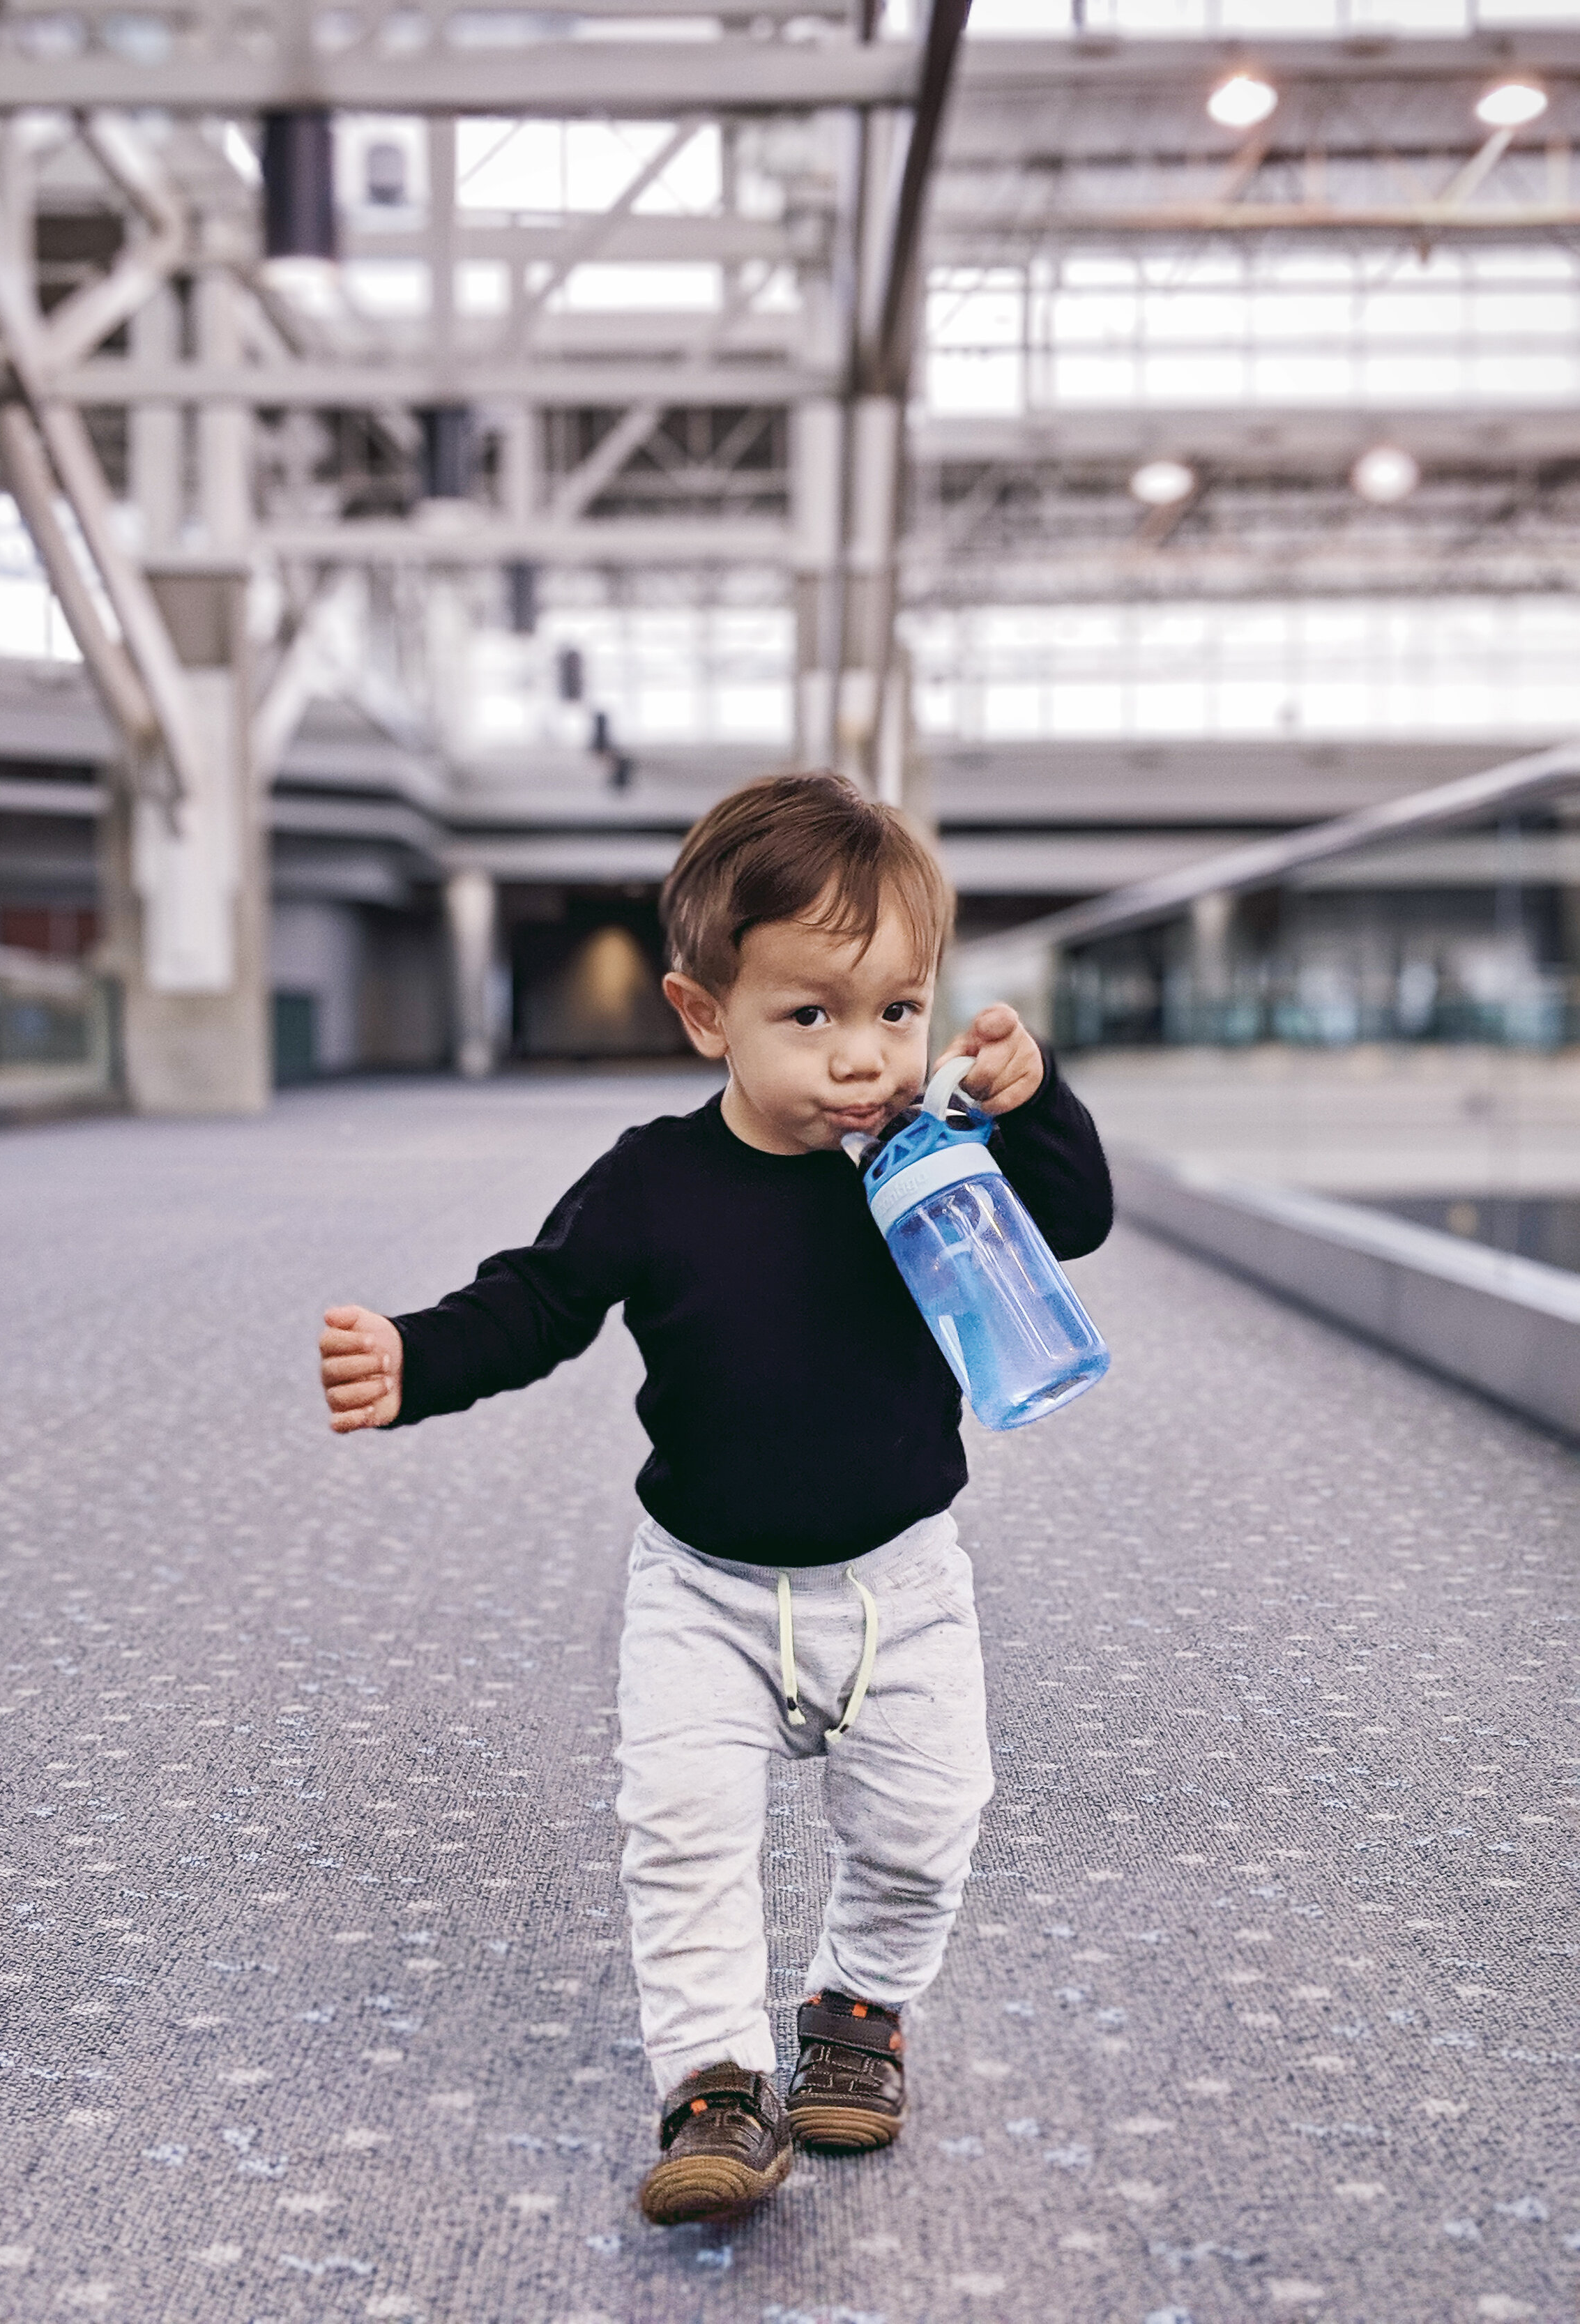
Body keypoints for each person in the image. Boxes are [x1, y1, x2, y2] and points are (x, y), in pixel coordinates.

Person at [317, 770, 1112, 2227]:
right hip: (702, 1587)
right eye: (808, 1015)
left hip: (901, 1577)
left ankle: (855, 2013)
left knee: (928, 1817)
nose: (863, 1056)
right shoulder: (653, 1183)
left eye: (895, 1009)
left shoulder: (927, 1161)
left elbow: (1073, 1219)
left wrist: (1033, 1098)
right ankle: (713, 2084)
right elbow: (539, 1299)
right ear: (706, 1016)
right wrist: (415, 1357)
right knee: (679, 1825)